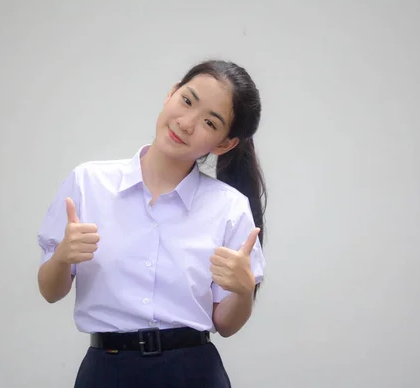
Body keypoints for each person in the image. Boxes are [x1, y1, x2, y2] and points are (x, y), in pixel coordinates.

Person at [37, 59, 267, 387]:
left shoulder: (229, 208)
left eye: (210, 122)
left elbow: (226, 325)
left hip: (193, 373)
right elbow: (49, 291)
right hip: (107, 371)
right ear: (171, 94)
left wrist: (244, 292)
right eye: (187, 100)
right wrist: (61, 256)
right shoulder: (88, 183)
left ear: (224, 143)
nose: (187, 123)